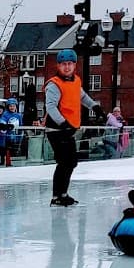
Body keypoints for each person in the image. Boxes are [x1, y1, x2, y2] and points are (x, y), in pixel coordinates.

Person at [42, 49, 97, 206]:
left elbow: (83, 97)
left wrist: (95, 107)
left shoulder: (75, 81)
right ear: (58, 66)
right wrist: (63, 123)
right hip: (57, 130)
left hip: (68, 129)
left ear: (74, 65)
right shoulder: (54, 84)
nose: (67, 67)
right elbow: (51, 107)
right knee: (64, 162)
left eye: (70, 64)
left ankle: (63, 193)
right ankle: (56, 196)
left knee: (71, 162)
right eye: (63, 64)